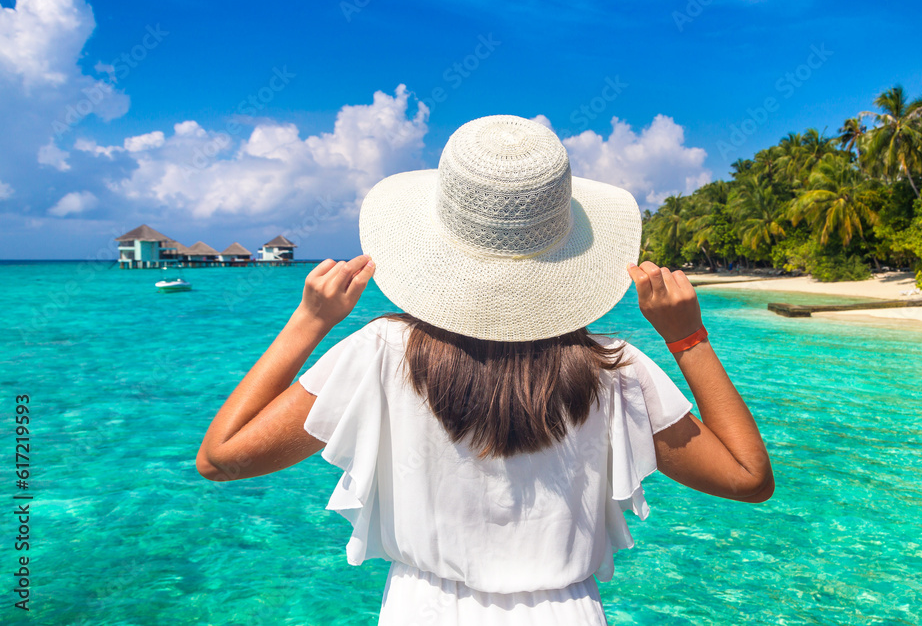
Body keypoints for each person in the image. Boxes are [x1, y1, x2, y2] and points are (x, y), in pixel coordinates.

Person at [196, 115, 773, 625]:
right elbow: (748, 479)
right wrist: (687, 337)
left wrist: (310, 320)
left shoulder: (379, 350)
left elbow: (221, 458)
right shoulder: (614, 369)